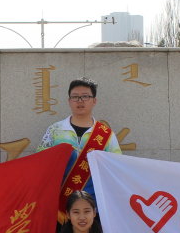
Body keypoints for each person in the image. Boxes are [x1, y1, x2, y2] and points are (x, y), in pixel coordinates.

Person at [37, 78, 121, 222]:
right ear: (69, 101)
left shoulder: (106, 135)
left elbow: (115, 167)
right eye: (75, 97)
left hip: (93, 205)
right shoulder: (55, 130)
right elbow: (40, 162)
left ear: (94, 101)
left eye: (85, 96)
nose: (80, 101)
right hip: (59, 204)